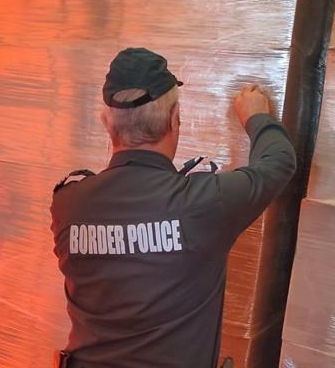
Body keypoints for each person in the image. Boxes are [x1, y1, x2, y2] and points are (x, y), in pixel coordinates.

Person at [50, 47, 296, 368]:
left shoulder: (68, 203)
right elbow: (278, 162)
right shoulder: (204, 202)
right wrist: (256, 116)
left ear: (106, 123)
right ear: (174, 118)